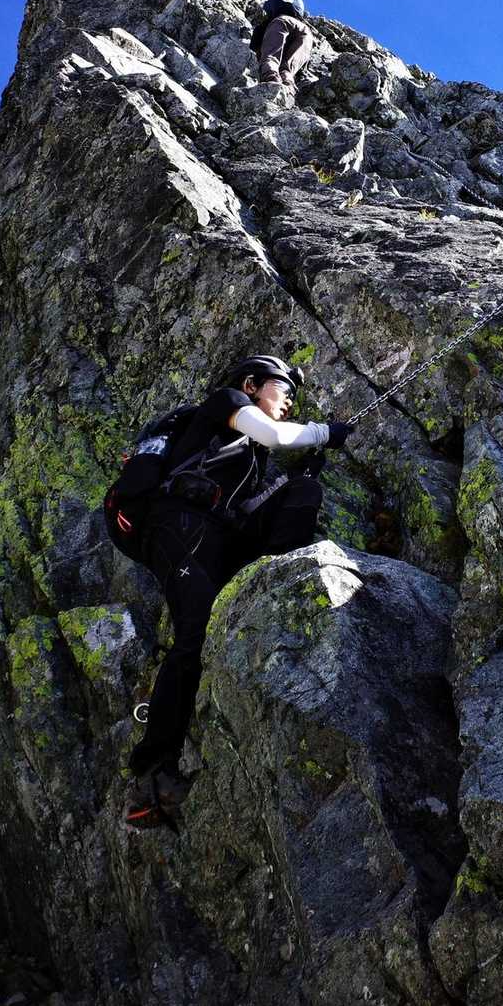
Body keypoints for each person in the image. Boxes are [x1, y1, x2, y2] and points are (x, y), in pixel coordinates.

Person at [125, 354, 353, 829]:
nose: (289, 403)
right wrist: (323, 433)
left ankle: (271, 588)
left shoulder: (244, 458)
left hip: (215, 536)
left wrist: (302, 475)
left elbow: (252, 502)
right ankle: (150, 773)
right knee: (194, 635)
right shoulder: (225, 401)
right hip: (176, 527)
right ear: (251, 385)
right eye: (283, 390)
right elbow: (276, 435)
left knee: (303, 492)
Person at [250, 0, 314, 89]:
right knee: (287, 69)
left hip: (282, 21)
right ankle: (288, 85)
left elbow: (256, 44)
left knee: (270, 58)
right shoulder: (303, 25)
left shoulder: (275, 20)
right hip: (307, 34)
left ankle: (271, 78)